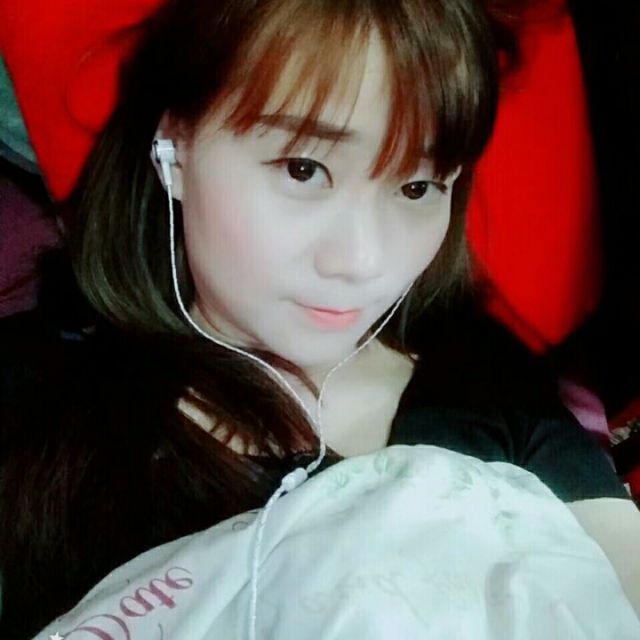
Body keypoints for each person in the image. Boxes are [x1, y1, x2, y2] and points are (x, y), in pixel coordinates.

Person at [0, 0, 638, 637]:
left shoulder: (491, 389)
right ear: (177, 150)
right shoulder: (36, 413)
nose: (362, 262)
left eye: (417, 187)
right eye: (303, 170)